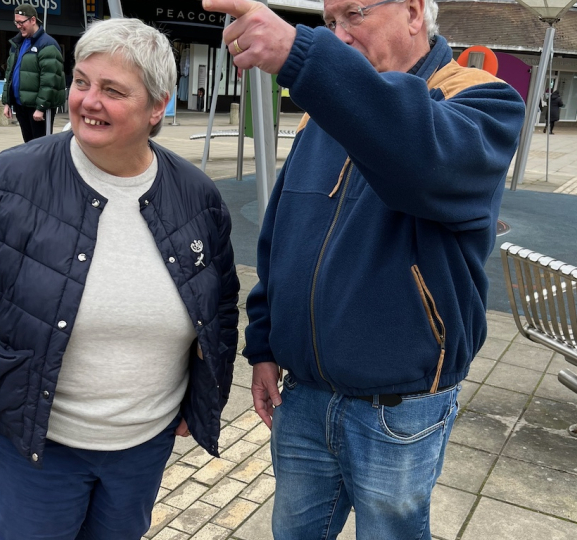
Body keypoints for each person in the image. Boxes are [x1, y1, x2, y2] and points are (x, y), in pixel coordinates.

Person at [202, 0, 525, 538]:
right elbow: (281, 235)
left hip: (398, 407)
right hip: (303, 395)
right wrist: (263, 345)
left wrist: (305, 54)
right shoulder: (325, 113)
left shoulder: (483, 100)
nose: (339, 35)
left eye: (355, 14)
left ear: (415, 12)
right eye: (329, 23)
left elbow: (420, 163)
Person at [0, 17, 239, 540]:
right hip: (34, 444)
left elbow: (220, 306)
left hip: (143, 444)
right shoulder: (10, 179)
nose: (88, 101)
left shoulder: (198, 196)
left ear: (157, 107)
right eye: (81, 81)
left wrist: (201, 404)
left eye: (113, 90)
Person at [2, 3, 65, 142]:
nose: (18, 26)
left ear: (33, 20)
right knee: (29, 146)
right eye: (16, 22)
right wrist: (7, 102)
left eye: (21, 22)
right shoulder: (17, 44)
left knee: (42, 147)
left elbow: (50, 80)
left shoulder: (47, 44)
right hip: (21, 105)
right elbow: (10, 73)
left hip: (38, 109)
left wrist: (41, 108)